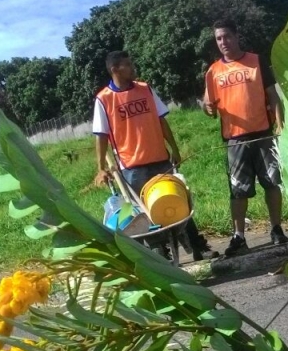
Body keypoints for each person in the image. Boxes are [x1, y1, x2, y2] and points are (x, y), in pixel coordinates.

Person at [92, 50, 217, 261]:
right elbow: (101, 136)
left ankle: (197, 247)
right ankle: (161, 255)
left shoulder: (145, 89)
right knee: (146, 215)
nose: (133, 68)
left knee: (178, 203)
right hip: (132, 168)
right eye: (127, 65)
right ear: (115, 69)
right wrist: (100, 168)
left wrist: (175, 150)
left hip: (160, 160)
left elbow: (162, 121)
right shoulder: (104, 99)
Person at [202, 19, 288, 257]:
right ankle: (239, 236)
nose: (223, 42)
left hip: (263, 134)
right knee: (238, 190)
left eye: (227, 36)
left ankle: (276, 229)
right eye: (219, 38)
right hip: (235, 140)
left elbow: (273, 96)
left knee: (272, 182)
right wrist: (207, 108)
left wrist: (280, 125)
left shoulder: (256, 61)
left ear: (237, 36)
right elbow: (208, 105)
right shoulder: (213, 71)